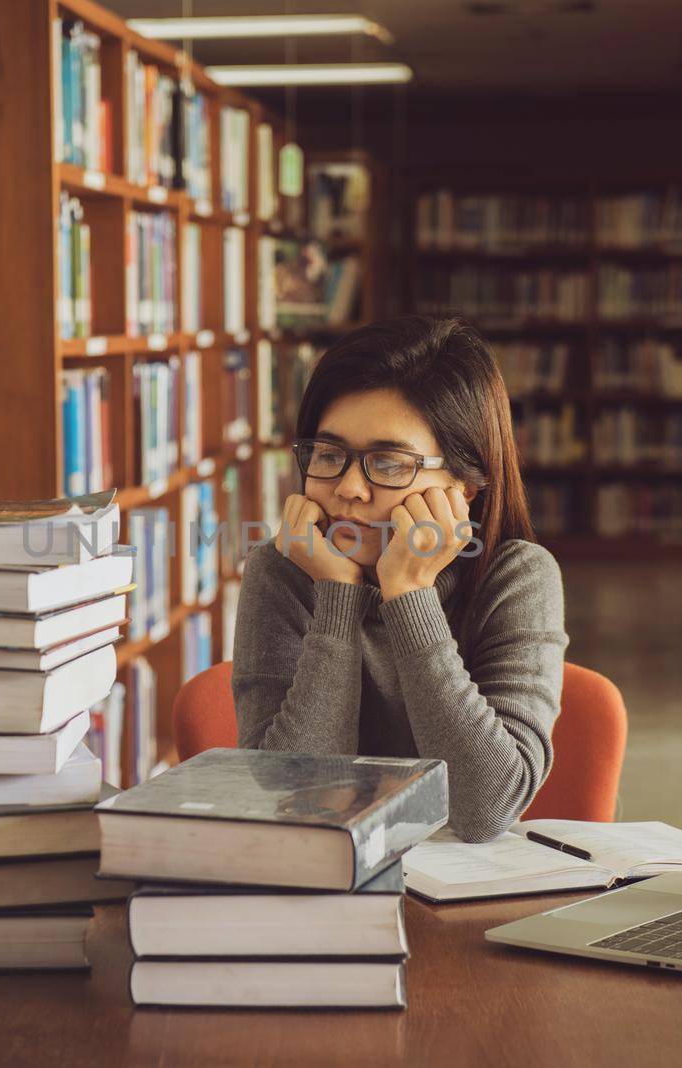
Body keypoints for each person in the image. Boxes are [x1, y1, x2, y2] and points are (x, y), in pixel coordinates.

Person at [233, 315, 568, 843]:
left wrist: (409, 594)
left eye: (388, 464)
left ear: (464, 487)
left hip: (468, 890)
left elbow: (485, 810)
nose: (348, 489)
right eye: (329, 454)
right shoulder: (282, 570)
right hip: (316, 882)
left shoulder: (519, 577)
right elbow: (289, 800)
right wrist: (338, 597)